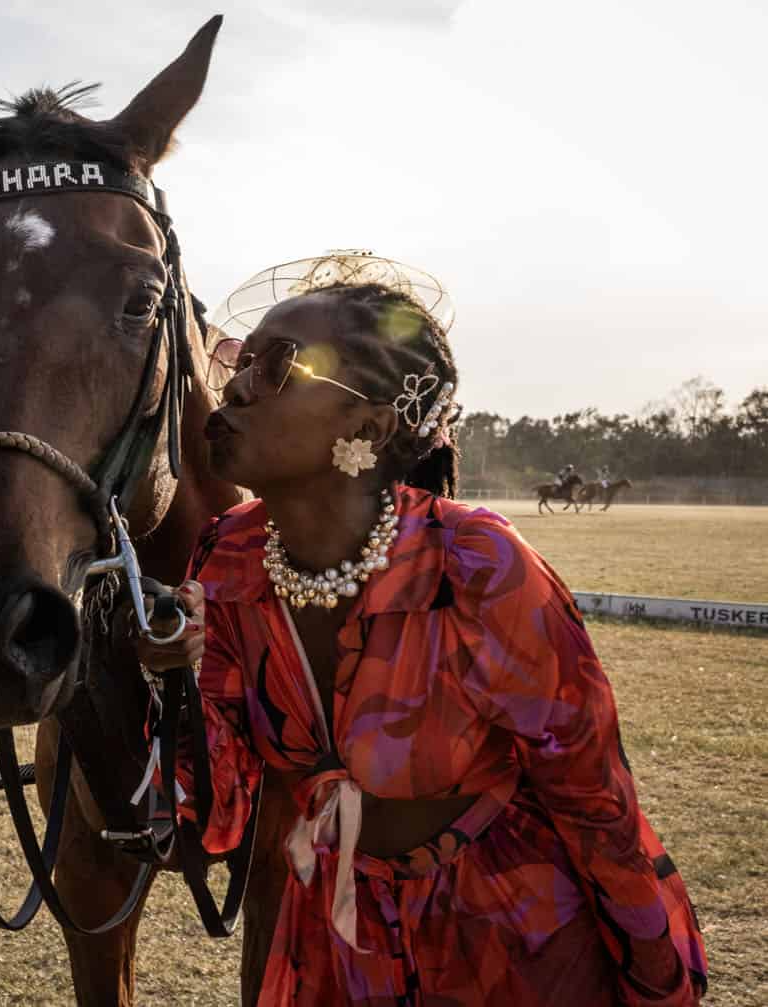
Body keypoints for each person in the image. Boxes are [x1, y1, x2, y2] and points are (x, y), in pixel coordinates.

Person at [136, 263, 707, 1005]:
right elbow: (217, 805)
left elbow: (595, 804)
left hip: (513, 936)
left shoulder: (478, 567)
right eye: (239, 360)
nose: (237, 386)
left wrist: (656, 987)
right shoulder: (227, 557)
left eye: (278, 366)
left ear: (367, 429)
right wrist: (168, 673)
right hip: (339, 941)